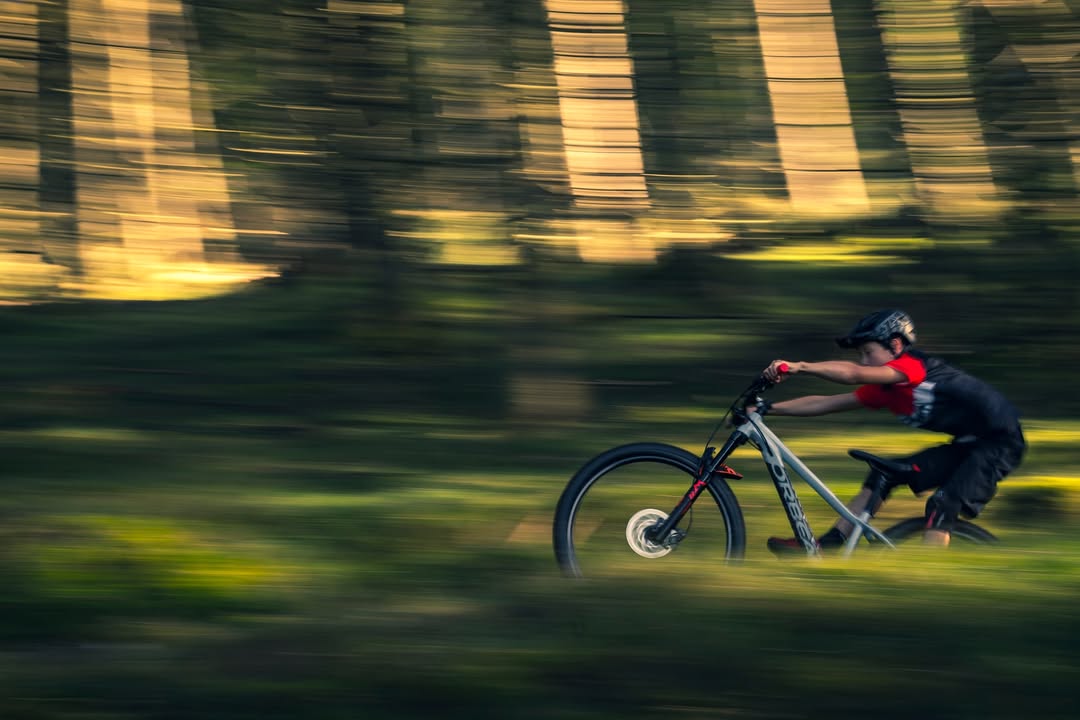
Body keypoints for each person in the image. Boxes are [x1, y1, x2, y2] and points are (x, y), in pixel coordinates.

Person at [756, 309, 1025, 552]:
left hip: (1000, 445)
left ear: (895, 345)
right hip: (968, 445)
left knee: (943, 504)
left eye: (868, 353)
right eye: (861, 355)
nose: (865, 361)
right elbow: (827, 402)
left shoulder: (911, 367)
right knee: (882, 474)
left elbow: (852, 374)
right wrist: (768, 408)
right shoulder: (886, 391)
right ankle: (827, 546)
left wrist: (800, 366)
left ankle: (930, 577)